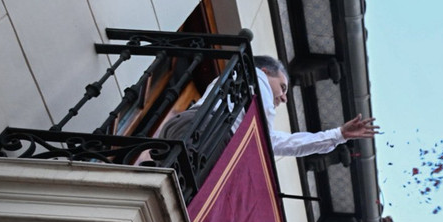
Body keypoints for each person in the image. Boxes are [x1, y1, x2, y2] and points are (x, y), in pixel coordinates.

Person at [158, 55, 378, 158]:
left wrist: (338, 135)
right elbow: (273, 141)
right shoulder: (257, 79)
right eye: (283, 88)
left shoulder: (242, 89)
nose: (283, 98)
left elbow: (275, 141)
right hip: (209, 133)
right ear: (265, 72)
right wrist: (337, 135)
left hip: (188, 129)